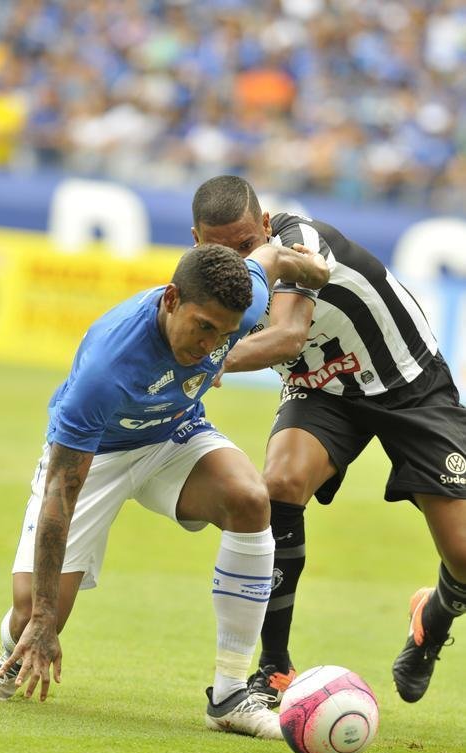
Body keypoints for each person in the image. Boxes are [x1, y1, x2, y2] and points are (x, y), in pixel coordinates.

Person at [0, 241, 329, 739]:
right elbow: (60, 493)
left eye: (222, 334)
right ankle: (9, 659)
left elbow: (269, 257)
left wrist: (309, 268)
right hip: (98, 457)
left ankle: (229, 697)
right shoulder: (107, 369)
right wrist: (46, 616)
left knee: (250, 498)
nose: (210, 347)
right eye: (203, 328)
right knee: (35, 611)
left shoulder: (237, 305)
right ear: (171, 299)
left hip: (172, 436)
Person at [191, 175, 466, 706]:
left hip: (407, 381)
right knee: (280, 483)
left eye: (247, 246)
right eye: (219, 250)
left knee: (462, 554)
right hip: (321, 385)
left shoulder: (300, 242)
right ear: (198, 240)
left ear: (266, 227)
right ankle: (274, 668)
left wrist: (207, 360)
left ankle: (432, 614)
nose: (237, 262)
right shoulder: (199, 277)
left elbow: (289, 335)